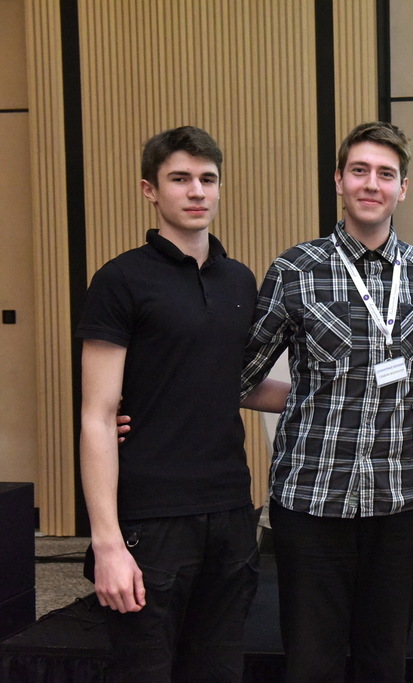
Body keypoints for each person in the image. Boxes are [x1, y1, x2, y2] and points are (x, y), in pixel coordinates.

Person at [238, 121, 413, 682]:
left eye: (386, 174)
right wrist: (310, 398)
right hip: (313, 497)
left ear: (403, 188)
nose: (371, 184)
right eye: (359, 171)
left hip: (400, 500)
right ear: (339, 180)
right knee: (312, 662)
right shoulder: (295, 270)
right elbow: (239, 377)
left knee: (385, 660)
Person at [78, 126, 271, 680]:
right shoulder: (120, 280)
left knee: (218, 670)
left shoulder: (240, 280)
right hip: (151, 518)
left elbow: (236, 384)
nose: (196, 191)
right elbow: (97, 415)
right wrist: (107, 543)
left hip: (231, 511)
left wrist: (342, 393)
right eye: (180, 179)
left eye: (208, 179)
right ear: (150, 190)